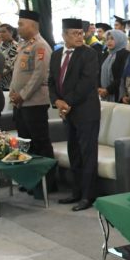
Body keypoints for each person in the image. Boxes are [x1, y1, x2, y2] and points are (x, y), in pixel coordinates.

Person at [49, 18, 101, 211]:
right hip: (67, 113)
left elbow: (86, 83)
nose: (80, 37)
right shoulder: (56, 55)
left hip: (85, 111)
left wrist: (67, 102)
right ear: (64, 35)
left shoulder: (89, 54)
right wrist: (57, 101)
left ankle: (89, 196)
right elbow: (52, 81)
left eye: (81, 33)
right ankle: (76, 191)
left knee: (88, 154)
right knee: (74, 152)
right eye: (75, 33)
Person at [9, 10, 54, 192]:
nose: (18, 28)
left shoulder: (40, 46)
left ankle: (48, 183)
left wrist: (23, 94)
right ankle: (32, 180)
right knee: (26, 143)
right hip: (21, 103)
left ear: (32, 26)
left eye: (21, 24)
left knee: (40, 142)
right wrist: (13, 92)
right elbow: (18, 73)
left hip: (34, 102)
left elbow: (39, 74)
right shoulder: (24, 45)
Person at [98, 30, 128, 102]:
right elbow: (99, 72)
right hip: (103, 94)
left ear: (119, 39)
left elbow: (121, 77)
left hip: (117, 94)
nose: (109, 41)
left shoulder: (124, 54)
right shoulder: (107, 54)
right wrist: (99, 88)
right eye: (107, 39)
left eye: (112, 38)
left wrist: (107, 90)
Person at [0, 24, 18, 92]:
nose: (1, 34)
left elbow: (9, 66)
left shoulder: (16, 47)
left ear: (11, 32)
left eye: (4, 32)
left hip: (10, 86)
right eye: (0, 32)